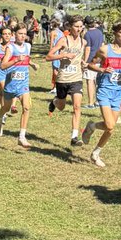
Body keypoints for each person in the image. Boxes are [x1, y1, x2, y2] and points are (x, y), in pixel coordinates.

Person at [81, 21, 121, 166]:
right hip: (105, 90)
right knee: (110, 125)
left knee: (110, 129)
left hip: (118, 92)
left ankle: (95, 151)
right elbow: (91, 64)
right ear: (115, 33)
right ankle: (91, 129)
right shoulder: (104, 50)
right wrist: (102, 70)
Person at [46, 15, 86, 149]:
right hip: (63, 78)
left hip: (76, 78)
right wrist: (63, 55)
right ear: (70, 26)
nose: (79, 29)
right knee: (61, 106)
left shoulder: (83, 42)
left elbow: (80, 59)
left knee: (77, 107)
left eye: (81, 26)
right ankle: (55, 101)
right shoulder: (64, 40)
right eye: (76, 26)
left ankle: (74, 137)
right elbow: (49, 56)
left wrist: (84, 64)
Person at [0, 27, 32, 148]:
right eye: (20, 33)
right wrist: (15, 60)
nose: (22, 36)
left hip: (23, 84)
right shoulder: (10, 48)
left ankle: (22, 136)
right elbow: (3, 65)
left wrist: (32, 64)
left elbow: (26, 60)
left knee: (26, 107)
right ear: (15, 34)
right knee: (6, 108)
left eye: (24, 34)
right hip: (11, 84)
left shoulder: (28, 46)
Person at [82, 17, 105, 110]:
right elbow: (103, 44)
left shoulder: (87, 34)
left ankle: (90, 103)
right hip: (99, 59)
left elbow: (88, 49)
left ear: (86, 24)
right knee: (97, 81)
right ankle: (98, 101)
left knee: (90, 81)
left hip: (91, 60)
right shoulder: (100, 32)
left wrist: (85, 61)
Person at [0, 26, 14, 118]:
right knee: (3, 90)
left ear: (12, 35)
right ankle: (3, 113)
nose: (7, 36)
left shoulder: (13, 46)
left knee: (4, 92)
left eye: (9, 34)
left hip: (10, 71)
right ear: (1, 35)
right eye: (5, 34)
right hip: (0, 71)